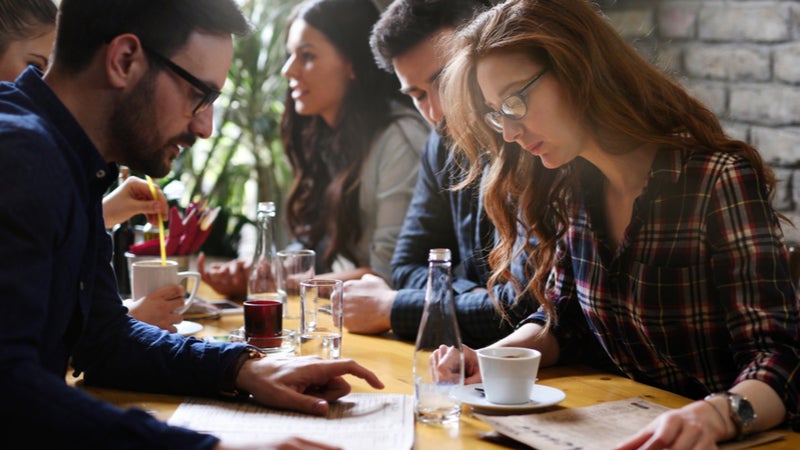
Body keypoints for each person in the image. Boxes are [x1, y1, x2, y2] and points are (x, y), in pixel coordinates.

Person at [0, 1, 384, 448]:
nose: (206, 126)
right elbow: (9, 389)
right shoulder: (20, 157)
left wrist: (244, 368)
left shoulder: (72, 159)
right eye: (199, 95)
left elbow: (103, 338)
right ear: (124, 60)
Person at [432, 0, 800, 447]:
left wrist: (718, 415)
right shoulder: (573, 187)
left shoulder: (714, 179)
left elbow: (779, 356)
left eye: (515, 101)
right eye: (497, 112)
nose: (509, 132)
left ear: (579, 69)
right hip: (629, 425)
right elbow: (563, 324)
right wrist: (489, 359)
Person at [198, 0, 429, 299]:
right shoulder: (323, 137)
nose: (287, 70)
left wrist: (281, 282)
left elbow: (388, 274)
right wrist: (264, 270)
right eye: (289, 55)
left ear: (352, 63)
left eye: (306, 56)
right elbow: (314, 246)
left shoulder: (400, 139)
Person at [340, 0, 537, 348]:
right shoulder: (441, 144)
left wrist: (395, 308)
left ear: (479, 52)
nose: (436, 111)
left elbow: (521, 308)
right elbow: (404, 268)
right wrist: (467, 291)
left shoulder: (535, 141)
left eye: (445, 80)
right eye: (417, 95)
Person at [0, 0, 178, 330]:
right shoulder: (19, 151)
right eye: (36, 69)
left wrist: (102, 212)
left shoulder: (66, 167)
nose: (49, 86)